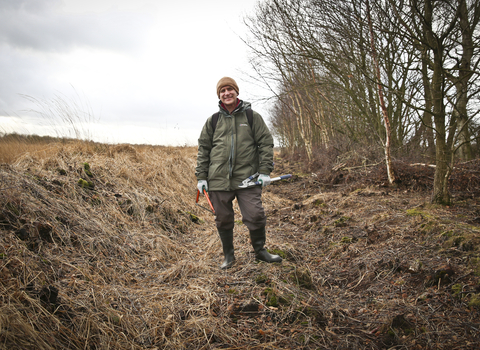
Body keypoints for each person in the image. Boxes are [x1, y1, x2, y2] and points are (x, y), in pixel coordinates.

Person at [195, 77, 282, 270]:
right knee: (223, 219)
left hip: (248, 179)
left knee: (255, 215)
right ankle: (229, 256)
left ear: (236, 92)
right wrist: (201, 177)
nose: (226, 93)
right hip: (218, 180)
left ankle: (260, 252)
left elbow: (266, 143)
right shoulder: (213, 121)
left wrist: (265, 171)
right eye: (222, 91)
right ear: (219, 95)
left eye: (229, 89)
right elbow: (204, 150)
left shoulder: (252, 117)